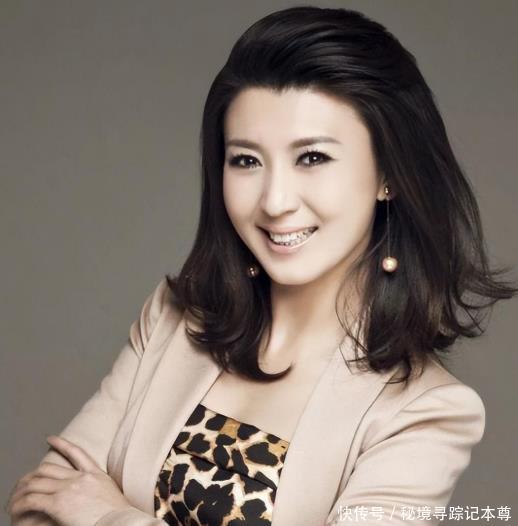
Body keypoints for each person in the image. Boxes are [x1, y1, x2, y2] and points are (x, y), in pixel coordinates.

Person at [6, 5, 517, 526]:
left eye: (312, 158)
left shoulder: (425, 413)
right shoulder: (173, 321)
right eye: (246, 160)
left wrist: (106, 515)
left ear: (389, 174)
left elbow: (76, 507)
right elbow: (38, 509)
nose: (274, 201)